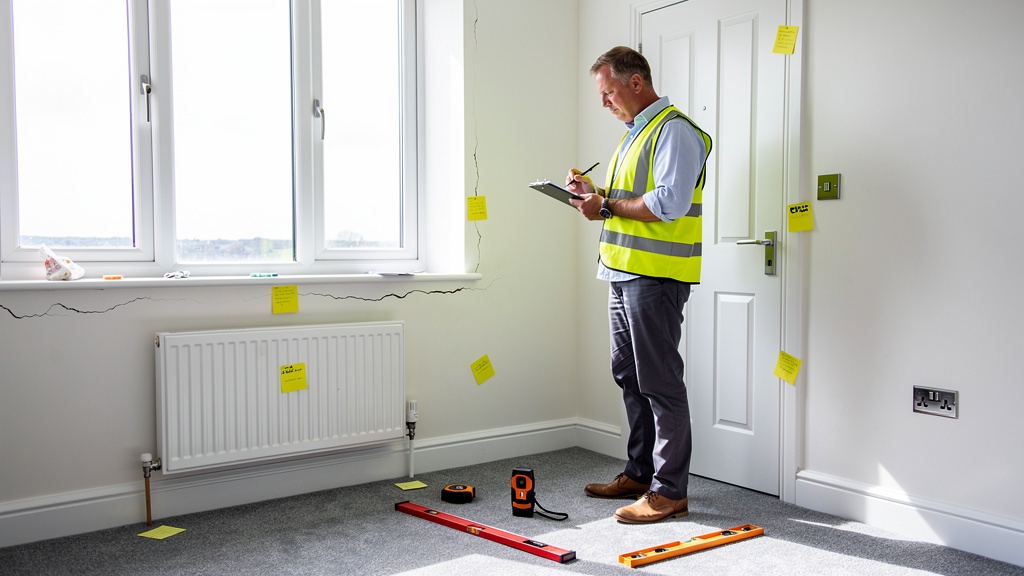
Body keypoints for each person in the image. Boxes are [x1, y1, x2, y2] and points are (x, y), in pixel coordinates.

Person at [566, 46, 712, 524]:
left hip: (656, 278)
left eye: (608, 93)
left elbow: (668, 203)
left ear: (635, 83)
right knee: (629, 375)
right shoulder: (635, 135)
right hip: (622, 273)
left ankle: (670, 491)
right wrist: (595, 196)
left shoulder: (675, 131)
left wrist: (604, 207)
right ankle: (640, 472)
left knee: (660, 382)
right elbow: (633, 199)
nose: (604, 103)